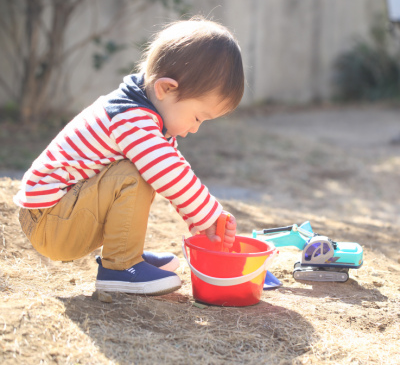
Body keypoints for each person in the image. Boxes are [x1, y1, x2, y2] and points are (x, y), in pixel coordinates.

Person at [13, 17, 244, 296]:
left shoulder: (145, 113)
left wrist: (201, 222)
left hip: (60, 213)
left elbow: (174, 166)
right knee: (135, 173)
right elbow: (167, 171)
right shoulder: (130, 117)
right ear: (165, 88)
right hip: (50, 219)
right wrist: (209, 214)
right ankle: (120, 266)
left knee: (141, 168)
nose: (195, 128)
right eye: (197, 117)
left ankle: (125, 253)